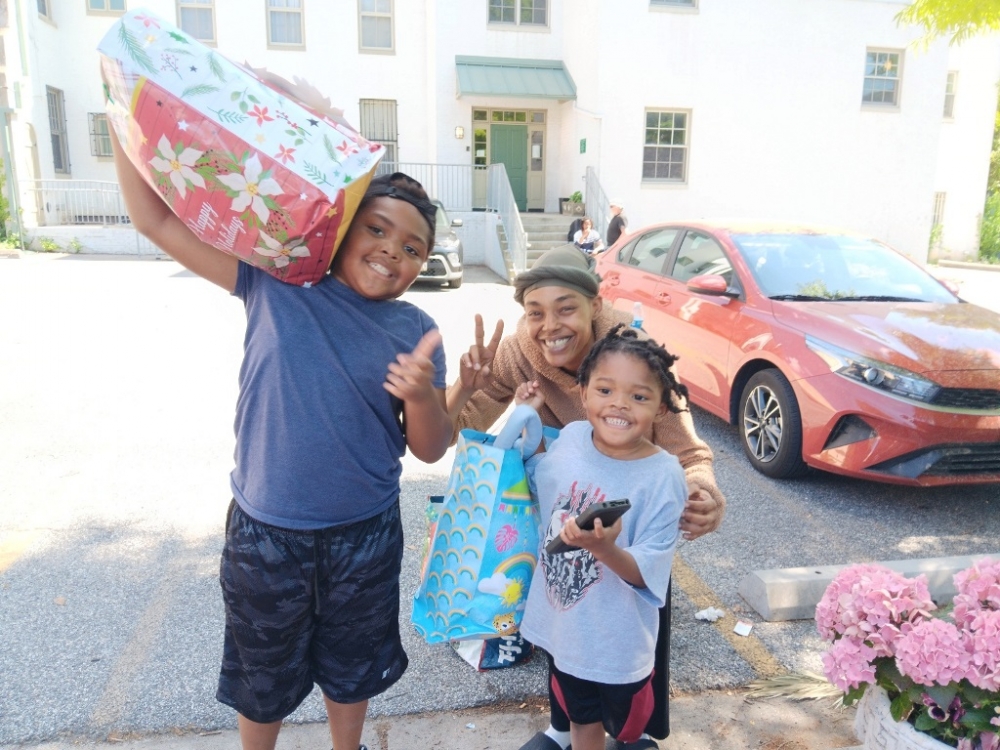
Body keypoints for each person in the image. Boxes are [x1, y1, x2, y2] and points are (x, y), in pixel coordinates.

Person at [110, 130, 453, 750]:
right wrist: (122, 119)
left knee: (352, 667)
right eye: (376, 229)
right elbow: (155, 221)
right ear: (342, 229)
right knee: (261, 674)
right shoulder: (277, 284)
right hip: (267, 531)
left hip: (365, 533)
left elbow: (430, 449)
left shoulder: (416, 327)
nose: (391, 251)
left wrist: (423, 396)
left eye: (412, 248)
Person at [446, 245, 726, 750]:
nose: (549, 326)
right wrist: (464, 388)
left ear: (595, 305)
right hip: (566, 508)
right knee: (565, 628)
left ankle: (633, 732)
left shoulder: (636, 355)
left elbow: (687, 448)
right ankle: (566, 727)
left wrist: (703, 490)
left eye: (566, 309)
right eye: (535, 312)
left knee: (629, 641)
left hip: (626, 521)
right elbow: (461, 430)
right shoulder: (519, 351)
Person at [513, 324, 689, 750]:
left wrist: (604, 548)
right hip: (564, 629)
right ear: (583, 392)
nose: (619, 405)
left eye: (639, 396)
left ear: (662, 408)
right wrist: (526, 419)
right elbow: (542, 480)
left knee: (627, 729)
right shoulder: (573, 437)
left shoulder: (663, 476)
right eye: (605, 390)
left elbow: (648, 572)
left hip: (618, 646)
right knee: (581, 719)